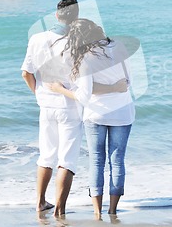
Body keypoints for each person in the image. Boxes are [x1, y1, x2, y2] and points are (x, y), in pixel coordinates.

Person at [21, 0, 126, 216]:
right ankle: (60, 209)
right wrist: (115, 86)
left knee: (46, 155)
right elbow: (87, 86)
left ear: (56, 15)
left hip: (45, 104)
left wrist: (39, 94)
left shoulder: (37, 38)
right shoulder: (79, 42)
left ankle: (40, 202)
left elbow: (26, 73)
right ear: (76, 17)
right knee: (67, 159)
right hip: (70, 105)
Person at [49, 19, 135, 219]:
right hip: (123, 112)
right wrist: (114, 87)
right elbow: (127, 82)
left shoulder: (86, 58)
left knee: (97, 161)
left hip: (96, 114)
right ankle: (113, 210)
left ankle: (97, 212)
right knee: (117, 160)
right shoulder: (120, 46)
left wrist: (60, 89)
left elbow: (83, 96)